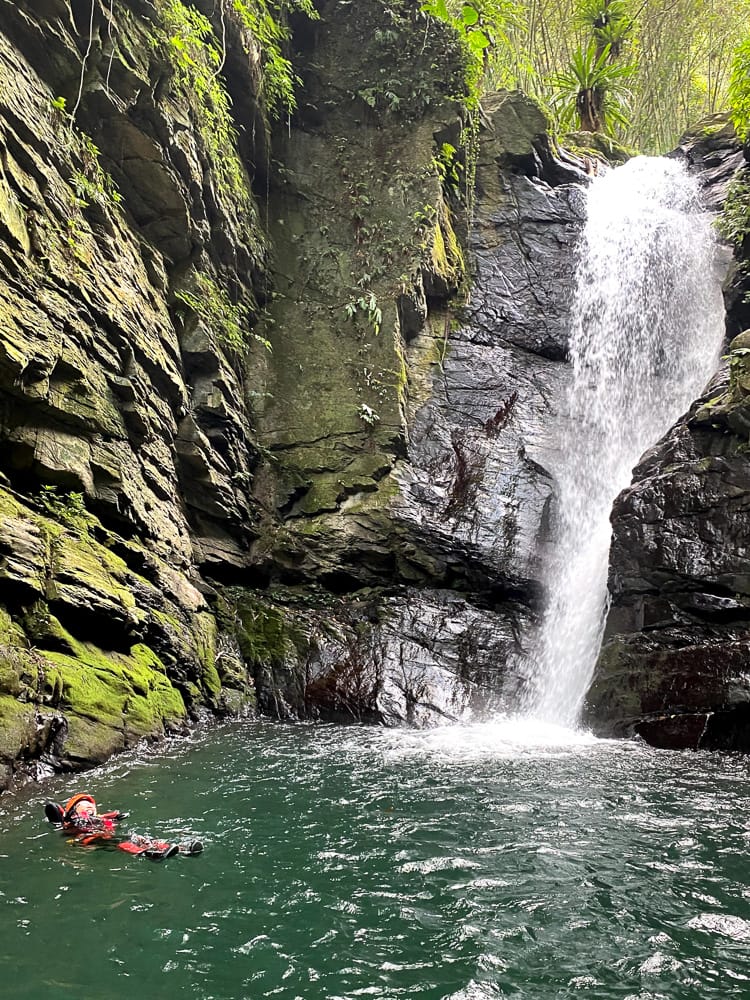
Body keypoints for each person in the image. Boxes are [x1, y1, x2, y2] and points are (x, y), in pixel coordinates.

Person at [45, 794, 203, 861]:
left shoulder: (97, 817)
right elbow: (55, 814)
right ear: (73, 811)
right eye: (83, 806)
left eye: (91, 807)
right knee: (120, 841)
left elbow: (107, 816)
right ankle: (149, 854)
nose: (89, 809)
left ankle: (180, 849)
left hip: (103, 835)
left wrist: (117, 816)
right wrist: (62, 817)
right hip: (89, 840)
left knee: (137, 837)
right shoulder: (70, 820)